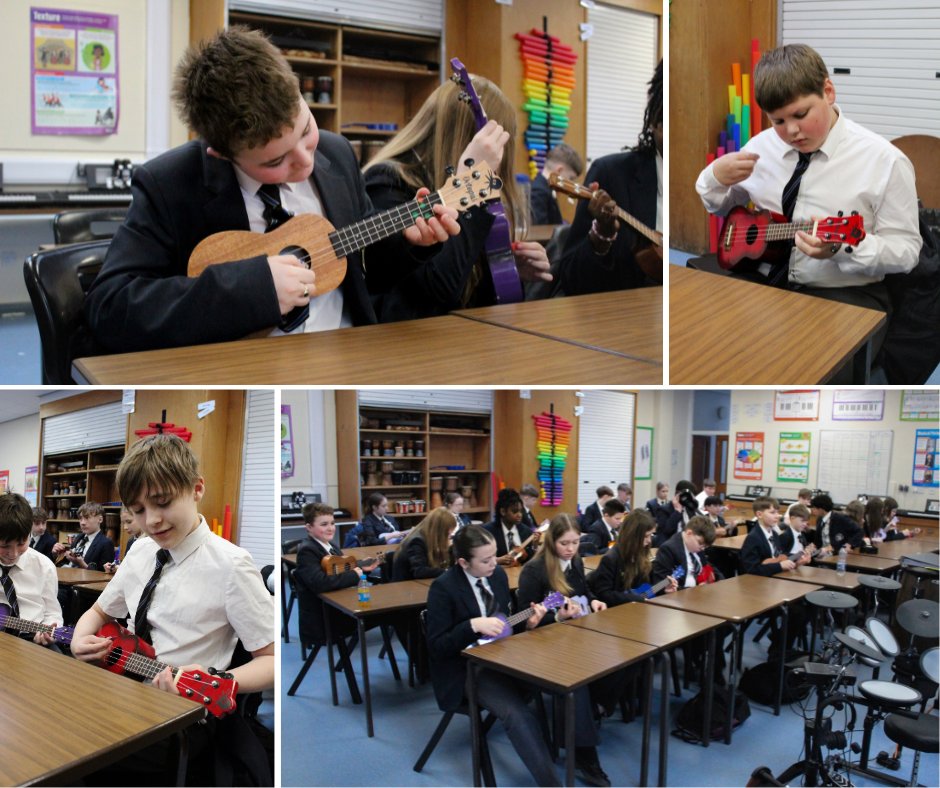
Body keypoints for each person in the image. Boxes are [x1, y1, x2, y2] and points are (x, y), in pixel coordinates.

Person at [85, 26, 462, 354]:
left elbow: (360, 268)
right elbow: (111, 307)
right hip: (247, 372)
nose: (306, 162)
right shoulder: (169, 184)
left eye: (306, 131)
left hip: (347, 357)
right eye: (274, 162)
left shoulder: (336, 152)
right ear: (221, 153)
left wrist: (408, 244)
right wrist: (252, 290)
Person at [695, 44, 920, 379]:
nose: (792, 132)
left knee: (815, 369)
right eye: (778, 121)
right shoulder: (760, 148)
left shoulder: (886, 162)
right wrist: (714, 178)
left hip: (844, 291)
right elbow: (721, 206)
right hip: (761, 277)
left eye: (801, 115)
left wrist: (847, 248)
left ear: (828, 91)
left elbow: (906, 251)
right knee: (707, 347)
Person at [70, 435, 275, 785]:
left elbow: (271, 660)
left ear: (196, 489)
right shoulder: (139, 551)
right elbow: (99, 612)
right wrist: (78, 638)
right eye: (137, 510)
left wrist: (223, 680)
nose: (151, 521)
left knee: (77, 758)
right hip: (124, 689)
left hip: (184, 714)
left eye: (162, 503)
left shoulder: (232, 565)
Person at [426, 525, 610, 787]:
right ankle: (551, 784)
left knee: (570, 683)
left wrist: (532, 622)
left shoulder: (497, 576)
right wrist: (471, 626)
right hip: (467, 669)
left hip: (506, 656)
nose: (495, 563)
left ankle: (585, 757)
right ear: (463, 562)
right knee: (518, 714)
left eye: (494, 556)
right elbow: (436, 647)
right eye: (486, 560)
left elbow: (507, 624)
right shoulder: (443, 588)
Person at [362, 74, 551, 321]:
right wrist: (467, 184)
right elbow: (439, 289)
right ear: (468, 140)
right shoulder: (388, 183)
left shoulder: (472, 190)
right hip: (401, 348)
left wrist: (502, 266)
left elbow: (468, 289)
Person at [558, 59, 663, 293]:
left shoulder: (708, 179)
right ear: (656, 120)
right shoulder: (611, 174)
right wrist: (601, 238)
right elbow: (571, 280)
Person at [0, 493, 63, 646]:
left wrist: (49, 630)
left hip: (31, 637)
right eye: (4, 546)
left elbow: (52, 612)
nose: (13, 554)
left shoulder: (44, 566)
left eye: (21, 543)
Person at [590, 509, 678, 606]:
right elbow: (604, 594)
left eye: (651, 535)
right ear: (633, 536)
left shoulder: (641, 555)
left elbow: (645, 590)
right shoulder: (611, 559)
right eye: (646, 536)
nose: (649, 541)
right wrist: (635, 599)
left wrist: (662, 589)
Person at [739, 497, 804, 577]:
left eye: (777, 512)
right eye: (772, 513)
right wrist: (780, 566)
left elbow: (778, 557)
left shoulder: (774, 534)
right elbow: (752, 569)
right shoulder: (753, 538)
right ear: (759, 514)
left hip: (775, 577)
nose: (777, 516)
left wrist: (797, 559)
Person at [651, 515, 718, 589]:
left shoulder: (696, 548)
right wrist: (694, 590)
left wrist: (719, 579)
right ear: (689, 533)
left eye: (705, 546)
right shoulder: (669, 549)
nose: (702, 549)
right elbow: (659, 585)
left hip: (697, 593)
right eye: (700, 543)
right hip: (678, 596)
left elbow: (707, 565)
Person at [391, 507, 454, 581]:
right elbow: (419, 571)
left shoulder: (426, 536)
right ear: (439, 530)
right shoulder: (417, 541)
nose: (449, 537)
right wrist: (447, 571)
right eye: (447, 533)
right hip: (404, 586)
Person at [529, 142, 584, 225]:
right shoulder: (539, 191)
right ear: (559, 171)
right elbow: (540, 230)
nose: (571, 183)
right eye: (571, 178)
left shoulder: (546, 188)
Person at [51, 501, 115, 570]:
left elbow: (105, 574)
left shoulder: (106, 543)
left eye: (87, 518)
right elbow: (66, 563)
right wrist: (57, 555)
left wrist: (82, 565)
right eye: (80, 518)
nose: (82, 523)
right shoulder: (79, 538)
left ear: (100, 519)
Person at [483, 488, 535, 564]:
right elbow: (481, 559)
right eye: (515, 511)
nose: (519, 515)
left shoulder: (526, 531)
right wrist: (497, 560)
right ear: (503, 511)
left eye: (521, 511)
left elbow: (530, 560)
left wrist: (534, 547)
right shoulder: (487, 532)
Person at [104, 505, 145, 573]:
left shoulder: (152, 542)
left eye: (129, 522)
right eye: (123, 523)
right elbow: (127, 565)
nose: (125, 527)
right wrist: (115, 568)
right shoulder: (131, 541)